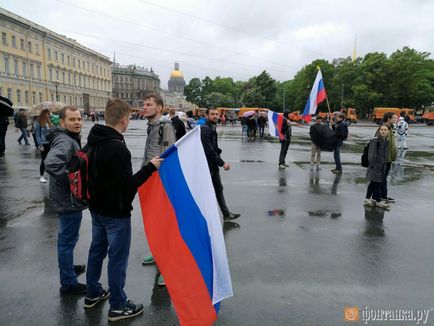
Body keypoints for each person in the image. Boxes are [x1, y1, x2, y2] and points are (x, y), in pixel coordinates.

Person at [85, 99, 162, 322]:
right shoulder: (117, 148)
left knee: (96, 251)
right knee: (117, 259)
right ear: (124, 119)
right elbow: (127, 186)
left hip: (96, 209)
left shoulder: (93, 140)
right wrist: (150, 168)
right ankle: (118, 306)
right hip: (115, 213)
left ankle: (93, 293)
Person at [44, 106, 87, 295]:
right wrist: (72, 177)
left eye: (79, 119)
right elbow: (51, 163)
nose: (77, 122)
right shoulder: (64, 141)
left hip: (66, 198)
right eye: (72, 120)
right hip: (67, 199)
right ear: (62, 122)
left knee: (66, 238)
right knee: (67, 241)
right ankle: (68, 283)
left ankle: (68, 267)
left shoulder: (68, 138)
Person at [141, 93, 176, 285]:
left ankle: (167, 268)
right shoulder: (151, 126)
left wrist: (163, 183)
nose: (144, 107)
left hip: (160, 182)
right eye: (144, 104)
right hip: (150, 179)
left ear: (159, 108)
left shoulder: (165, 126)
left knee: (165, 225)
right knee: (155, 222)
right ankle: (157, 255)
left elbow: (168, 156)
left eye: (149, 104)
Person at [201, 107, 240, 220]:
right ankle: (203, 217)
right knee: (205, 192)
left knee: (218, 188)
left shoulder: (212, 127)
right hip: (207, 166)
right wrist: (222, 163)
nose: (215, 116)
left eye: (216, 114)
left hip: (212, 164)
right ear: (206, 115)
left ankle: (226, 214)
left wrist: (218, 155)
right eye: (212, 114)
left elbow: (213, 148)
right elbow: (208, 150)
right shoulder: (205, 129)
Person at [364, 124, 390, 209]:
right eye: (381, 129)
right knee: (377, 183)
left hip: (382, 166)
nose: (383, 131)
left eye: (385, 130)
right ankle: (377, 200)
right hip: (375, 166)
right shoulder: (376, 141)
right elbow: (371, 155)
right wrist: (373, 165)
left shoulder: (386, 141)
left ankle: (368, 198)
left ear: (388, 132)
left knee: (374, 183)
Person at [375, 112, 397, 203]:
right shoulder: (383, 129)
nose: (395, 120)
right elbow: (377, 143)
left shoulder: (390, 128)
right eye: (394, 118)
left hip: (388, 159)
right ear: (388, 118)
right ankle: (377, 196)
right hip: (383, 159)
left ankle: (383, 195)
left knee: (384, 178)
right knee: (381, 178)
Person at [34, 109, 52, 183]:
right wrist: (40, 145)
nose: (49, 115)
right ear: (44, 114)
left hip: (50, 142)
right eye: (48, 114)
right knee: (44, 160)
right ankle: (42, 176)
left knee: (51, 159)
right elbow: (37, 135)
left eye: (49, 114)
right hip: (44, 143)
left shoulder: (49, 122)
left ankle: (50, 174)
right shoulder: (38, 123)